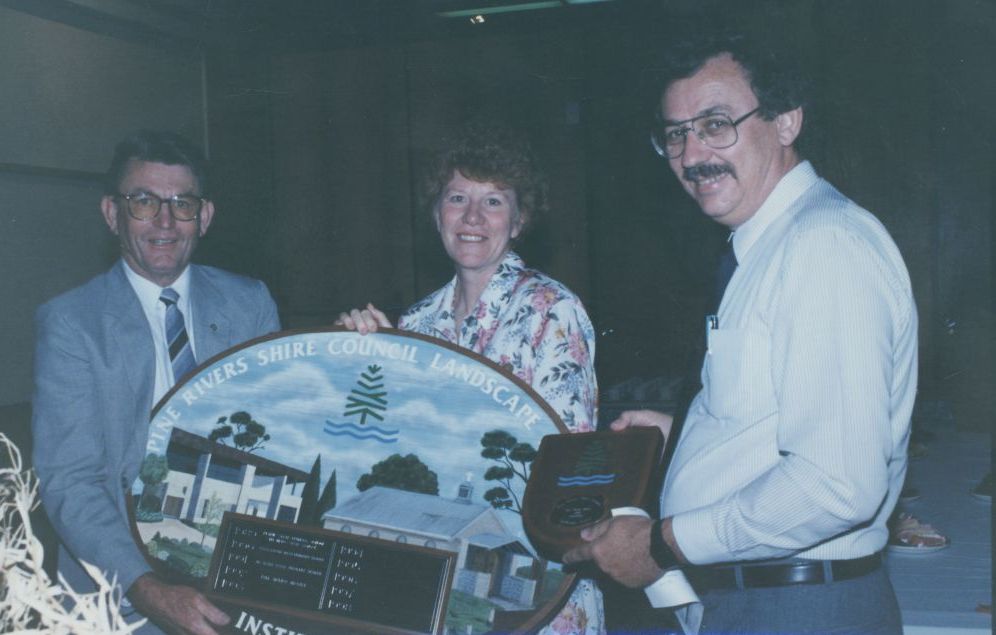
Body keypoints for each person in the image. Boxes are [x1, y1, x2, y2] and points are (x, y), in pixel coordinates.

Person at [563, 30, 918, 635]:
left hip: (798, 611)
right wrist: (688, 439)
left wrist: (661, 543)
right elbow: (789, 415)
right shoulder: (769, 246)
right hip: (763, 603)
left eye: (716, 123)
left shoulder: (823, 247)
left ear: (786, 122)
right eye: (675, 133)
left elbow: (836, 485)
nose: (692, 153)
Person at [337, 121, 604, 634]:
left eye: (494, 201)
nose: (473, 217)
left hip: (539, 587)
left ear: (520, 220)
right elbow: (390, 450)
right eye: (457, 197)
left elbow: (573, 469)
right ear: (437, 213)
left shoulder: (553, 311)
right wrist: (358, 355)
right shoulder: (415, 325)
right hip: (434, 587)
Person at [32, 130, 281, 635]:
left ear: (204, 217)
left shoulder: (249, 303)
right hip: (117, 590)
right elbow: (71, 481)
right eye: (143, 202)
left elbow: (281, 444)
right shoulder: (71, 322)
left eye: (181, 203)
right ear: (112, 214)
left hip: (236, 577)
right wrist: (147, 590)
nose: (164, 221)